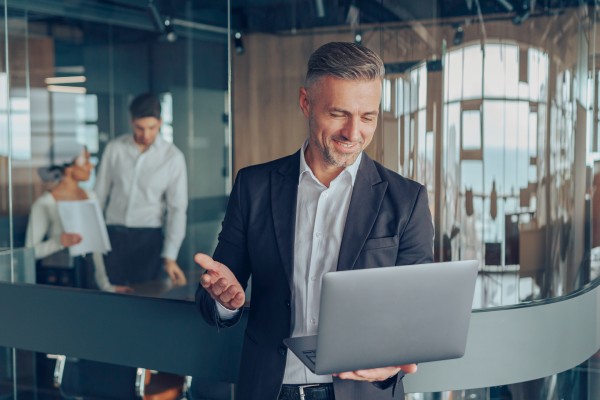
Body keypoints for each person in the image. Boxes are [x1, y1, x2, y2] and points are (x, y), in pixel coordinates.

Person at [195, 42, 434, 400]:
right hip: (270, 390)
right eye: (339, 114)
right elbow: (213, 291)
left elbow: (418, 316)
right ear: (306, 102)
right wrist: (224, 302)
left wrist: (395, 362)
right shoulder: (254, 186)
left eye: (368, 117)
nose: (354, 133)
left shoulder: (407, 200)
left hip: (361, 394)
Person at [95, 93, 188, 287]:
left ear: (160, 123)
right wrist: (93, 237)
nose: (146, 135)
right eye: (140, 127)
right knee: (111, 298)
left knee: (144, 301)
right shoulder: (115, 149)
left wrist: (170, 255)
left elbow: (177, 209)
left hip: (149, 240)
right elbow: (99, 195)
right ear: (131, 121)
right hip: (113, 236)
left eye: (152, 128)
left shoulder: (173, 157)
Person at [25, 144, 131, 293]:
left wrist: (106, 286)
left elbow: (96, 248)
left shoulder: (91, 196)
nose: (91, 165)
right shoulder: (45, 203)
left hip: (86, 279)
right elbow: (28, 253)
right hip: (59, 281)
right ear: (68, 167)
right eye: (86, 160)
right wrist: (58, 242)